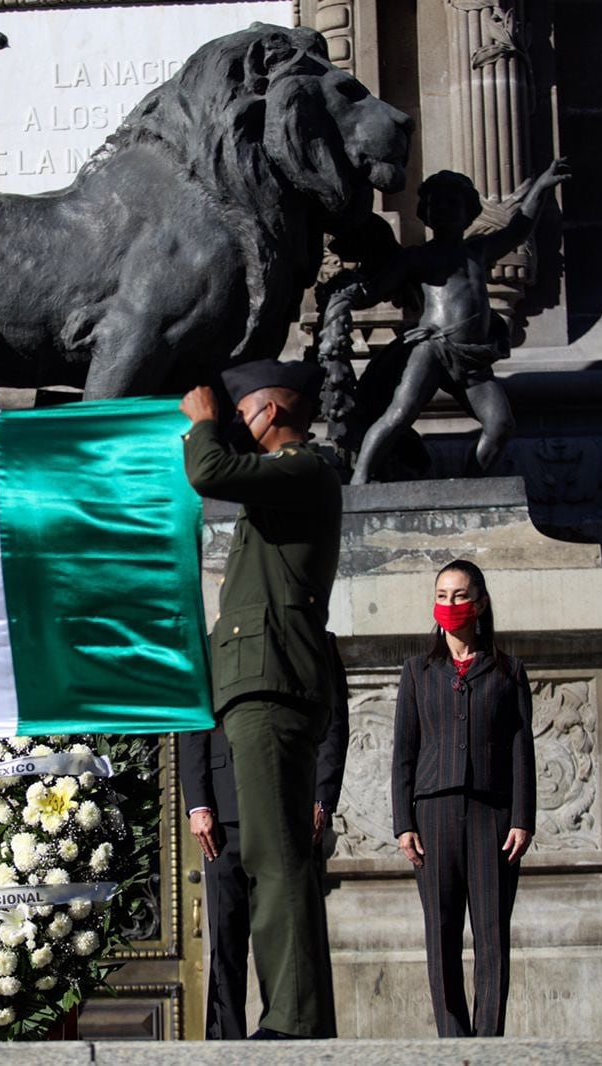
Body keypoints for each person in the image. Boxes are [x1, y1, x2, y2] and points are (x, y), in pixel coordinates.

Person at [179, 358, 344, 1039]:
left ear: (272, 412)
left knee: (275, 857)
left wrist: (203, 425)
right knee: (272, 858)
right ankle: (297, 1011)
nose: (239, 429)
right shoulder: (281, 486)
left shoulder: (305, 469)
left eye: (245, 415)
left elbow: (209, 472)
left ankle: (295, 1020)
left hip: (274, 683)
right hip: (258, 683)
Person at [329, 158, 569, 484]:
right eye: (436, 204)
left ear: (469, 211)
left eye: (452, 203)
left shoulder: (478, 251)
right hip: (433, 347)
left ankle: (470, 485)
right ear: (426, 212)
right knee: (400, 413)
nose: (444, 210)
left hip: (472, 357)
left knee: (501, 425)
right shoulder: (417, 257)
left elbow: (519, 228)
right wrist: (348, 294)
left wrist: (541, 186)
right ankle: (360, 480)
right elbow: (376, 289)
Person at [391, 560, 534, 1038]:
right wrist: (402, 822)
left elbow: (521, 748)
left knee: (492, 937)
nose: (450, 604)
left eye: (460, 595)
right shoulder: (417, 671)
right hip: (433, 814)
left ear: (481, 603)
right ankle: (453, 1041)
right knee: (442, 935)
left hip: (491, 816)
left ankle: (489, 1042)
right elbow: (404, 751)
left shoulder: (509, 670)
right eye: (443, 595)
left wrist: (522, 817)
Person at [180, 642, 350, 1040]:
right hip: (223, 817)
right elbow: (192, 727)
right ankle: (227, 1046)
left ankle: (289, 1039)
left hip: (290, 810)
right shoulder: (209, 651)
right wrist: (199, 804)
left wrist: (320, 797)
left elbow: (334, 722)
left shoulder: (314, 641)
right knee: (226, 941)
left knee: (291, 939)